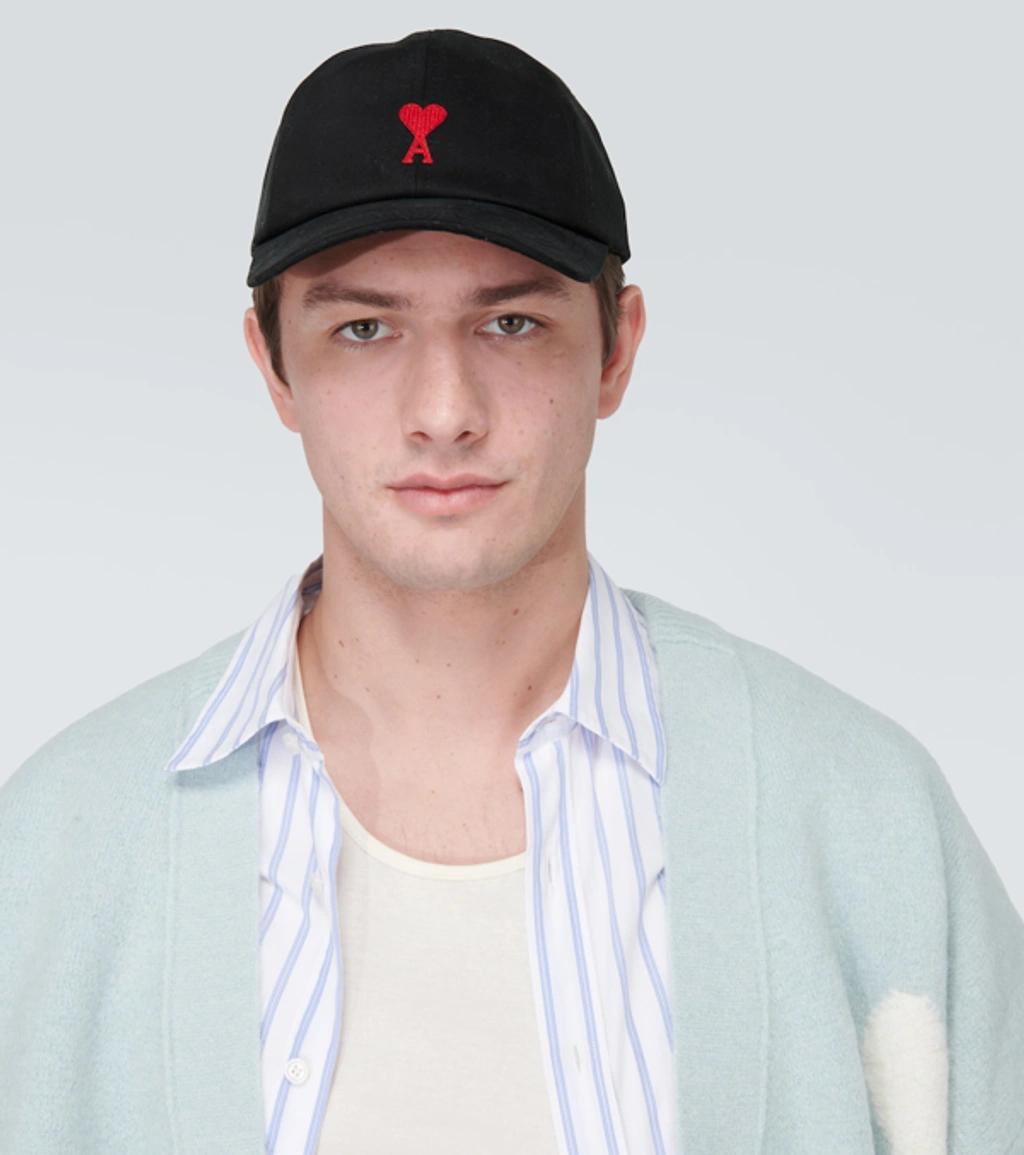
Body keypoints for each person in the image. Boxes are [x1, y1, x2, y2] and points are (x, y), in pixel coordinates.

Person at [1, 27, 1022, 1155]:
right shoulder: (56, 849)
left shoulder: (863, 819)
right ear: (273, 366)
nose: (444, 410)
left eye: (511, 323)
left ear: (615, 352)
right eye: (363, 328)